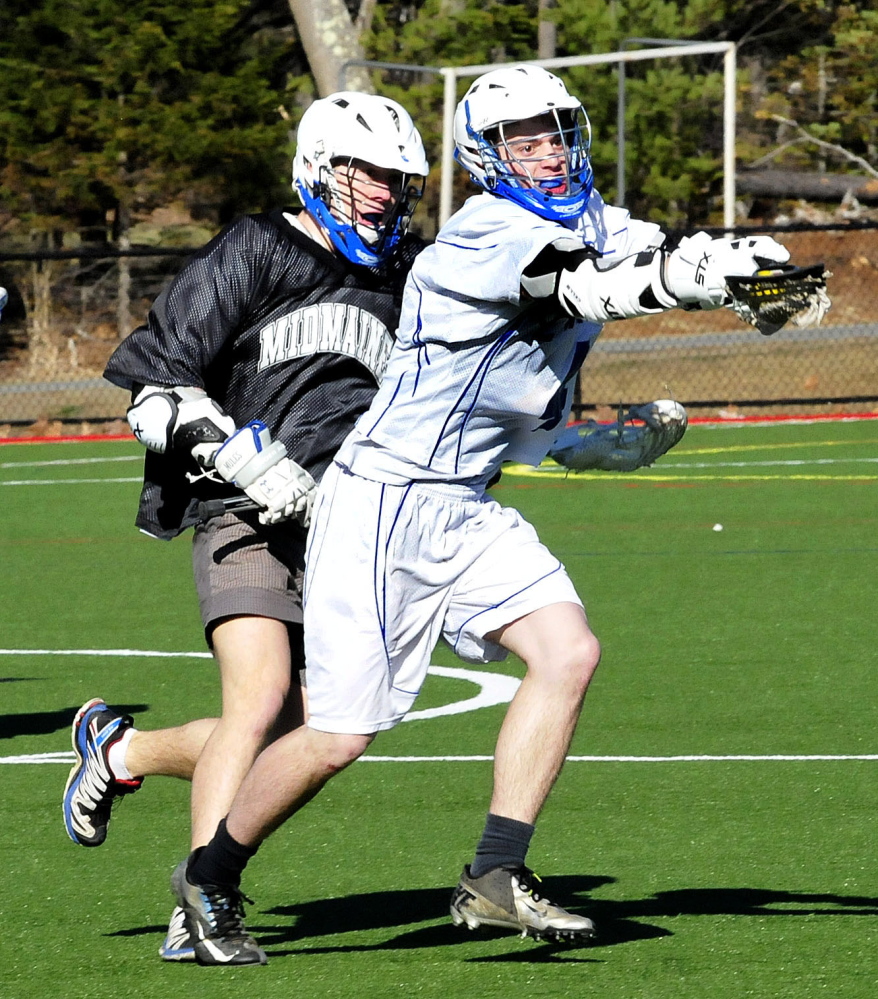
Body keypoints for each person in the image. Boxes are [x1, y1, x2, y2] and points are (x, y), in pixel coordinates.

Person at [134, 65, 794, 967]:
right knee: (334, 735)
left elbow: (641, 257)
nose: (548, 151)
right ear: (488, 155)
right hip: (381, 501)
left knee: (570, 651)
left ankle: (496, 872)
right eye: (523, 137)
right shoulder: (482, 235)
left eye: (558, 130)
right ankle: (211, 873)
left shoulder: (593, 220)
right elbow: (584, 289)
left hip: (464, 499)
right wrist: (685, 279)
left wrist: (741, 271)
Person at [61, 91, 430, 963]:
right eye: (365, 172)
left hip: (348, 526)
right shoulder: (258, 246)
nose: (382, 191)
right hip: (244, 509)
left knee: (302, 726)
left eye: (396, 177)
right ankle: (199, 904)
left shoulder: (407, 271)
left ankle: (121, 751)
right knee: (258, 695)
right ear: (320, 166)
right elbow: (152, 388)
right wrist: (240, 458)